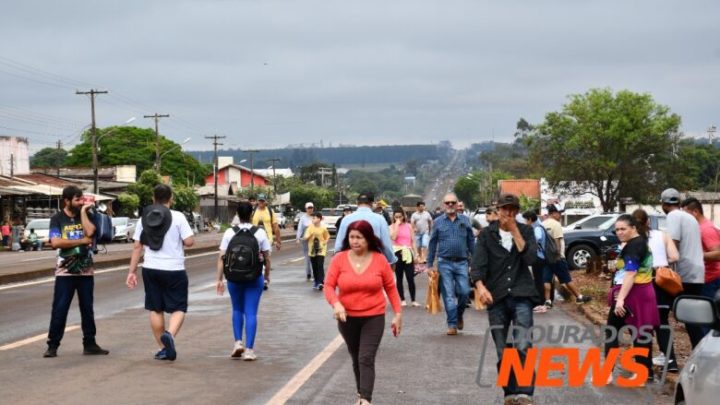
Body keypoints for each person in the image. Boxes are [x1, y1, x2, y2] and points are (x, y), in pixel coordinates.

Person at [324, 220, 402, 405]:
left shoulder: (380, 259)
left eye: (359, 237)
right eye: (352, 237)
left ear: (368, 239)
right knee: (356, 356)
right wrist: (336, 303)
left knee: (366, 357)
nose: (355, 241)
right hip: (347, 318)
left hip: (373, 316)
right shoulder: (339, 259)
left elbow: (391, 288)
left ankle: (366, 399)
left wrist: (398, 313)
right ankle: (361, 394)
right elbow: (328, 286)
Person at [471, 193, 540, 405]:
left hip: (522, 294)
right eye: (504, 209)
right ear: (497, 210)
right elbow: (478, 265)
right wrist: (480, 287)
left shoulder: (527, 231)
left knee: (523, 345)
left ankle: (525, 393)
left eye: (512, 210)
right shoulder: (486, 235)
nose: (508, 213)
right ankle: (510, 392)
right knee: (503, 350)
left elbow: (530, 259)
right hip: (496, 296)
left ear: (517, 212)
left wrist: (515, 231)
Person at [126, 184, 195, 361]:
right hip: (174, 269)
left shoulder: (144, 218)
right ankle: (170, 335)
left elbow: (137, 247)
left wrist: (131, 272)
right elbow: (189, 242)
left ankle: (164, 348)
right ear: (170, 198)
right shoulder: (178, 217)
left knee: (155, 308)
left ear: (153, 197)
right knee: (179, 307)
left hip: (150, 268)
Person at [44, 185, 108, 358]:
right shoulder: (57, 219)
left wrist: (83, 212)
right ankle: (53, 345)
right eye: (77, 199)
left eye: (82, 199)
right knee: (60, 309)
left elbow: (91, 232)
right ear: (66, 201)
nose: (81, 202)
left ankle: (90, 343)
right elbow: (56, 242)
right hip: (65, 272)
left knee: (87, 309)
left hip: (85, 271)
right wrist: (81, 241)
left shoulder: (86, 215)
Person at [604, 214, 659, 385]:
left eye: (623, 229)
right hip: (643, 293)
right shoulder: (640, 242)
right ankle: (642, 374)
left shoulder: (634, 246)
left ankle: (607, 373)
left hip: (633, 294)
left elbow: (630, 273)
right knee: (641, 333)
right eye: (617, 229)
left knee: (612, 331)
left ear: (633, 228)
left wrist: (620, 300)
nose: (619, 232)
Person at [215, 201, 271, 361]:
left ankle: (238, 342)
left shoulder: (229, 233)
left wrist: (219, 279)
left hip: (233, 278)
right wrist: (267, 276)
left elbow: (221, 258)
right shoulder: (259, 233)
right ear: (251, 214)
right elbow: (267, 258)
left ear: (237, 215)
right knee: (251, 312)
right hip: (254, 278)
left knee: (237, 309)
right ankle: (249, 350)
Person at [632, 208, 680, 372]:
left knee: (643, 324)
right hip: (661, 283)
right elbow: (675, 257)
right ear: (648, 222)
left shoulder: (632, 240)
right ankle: (671, 361)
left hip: (642, 284)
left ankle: (645, 366)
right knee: (662, 323)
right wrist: (661, 262)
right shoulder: (662, 235)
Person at [660, 188, 706, 348]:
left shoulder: (673, 216)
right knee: (693, 318)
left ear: (663, 204)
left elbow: (673, 245)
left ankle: (671, 355)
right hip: (697, 272)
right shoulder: (689, 217)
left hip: (684, 273)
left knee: (664, 312)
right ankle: (699, 351)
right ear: (679, 202)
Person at [427, 192, 474, 335]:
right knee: (448, 295)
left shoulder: (465, 220)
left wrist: (476, 261)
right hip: (444, 263)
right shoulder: (438, 222)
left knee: (465, 292)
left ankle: (459, 315)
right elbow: (433, 243)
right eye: (447, 203)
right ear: (443, 205)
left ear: (457, 204)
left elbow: (471, 241)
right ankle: (452, 324)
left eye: (453, 202)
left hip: (462, 263)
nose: (450, 205)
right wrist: (429, 264)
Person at [541, 205, 592, 308]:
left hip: (546, 257)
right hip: (557, 257)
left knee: (546, 279)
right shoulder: (556, 225)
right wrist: (558, 255)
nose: (560, 215)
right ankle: (579, 297)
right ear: (553, 213)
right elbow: (557, 241)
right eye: (559, 213)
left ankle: (547, 301)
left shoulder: (542, 224)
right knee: (566, 279)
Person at [335, 192, 397, 266]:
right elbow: (386, 245)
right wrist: (392, 261)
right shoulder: (380, 219)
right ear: (372, 204)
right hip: (373, 263)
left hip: (350, 264)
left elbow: (339, 246)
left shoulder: (346, 219)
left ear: (357, 203)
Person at [680, 197, 720, 300]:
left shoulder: (706, 229)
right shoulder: (698, 227)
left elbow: (718, 254)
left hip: (711, 280)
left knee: (707, 313)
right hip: (703, 279)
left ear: (695, 212)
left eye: (686, 214)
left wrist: (694, 255)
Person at [390, 209, 419, 307]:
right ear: (393, 217)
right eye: (396, 217)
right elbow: (393, 238)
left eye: (400, 216)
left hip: (408, 252)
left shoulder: (409, 226)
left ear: (404, 216)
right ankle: (402, 299)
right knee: (399, 277)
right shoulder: (391, 227)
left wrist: (416, 254)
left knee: (410, 277)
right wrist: (397, 225)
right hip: (397, 253)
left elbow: (413, 241)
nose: (398, 218)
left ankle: (413, 299)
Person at [522, 211, 548, 313]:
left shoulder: (537, 228)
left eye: (525, 219)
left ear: (529, 219)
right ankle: (539, 303)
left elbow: (537, 238)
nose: (524, 222)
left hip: (539, 257)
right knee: (538, 280)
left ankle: (540, 304)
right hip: (539, 258)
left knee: (538, 281)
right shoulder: (538, 226)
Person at [304, 212, 330, 290]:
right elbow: (305, 238)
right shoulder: (310, 228)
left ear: (319, 219)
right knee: (314, 266)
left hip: (321, 249)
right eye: (312, 218)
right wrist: (311, 235)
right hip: (312, 250)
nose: (313, 219)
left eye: (314, 218)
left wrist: (325, 242)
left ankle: (321, 282)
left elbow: (327, 236)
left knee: (320, 265)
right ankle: (316, 281)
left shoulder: (323, 228)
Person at [296, 202, 315, 281]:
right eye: (308, 208)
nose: (310, 210)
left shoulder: (315, 216)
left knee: (314, 256)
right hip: (306, 239)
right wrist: (297, 238)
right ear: (306, 209)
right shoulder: (303, 218)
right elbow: (300, 228)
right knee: (307, 256)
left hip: (315, 239)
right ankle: (308, 273)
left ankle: (315, 273)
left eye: (311, 208)